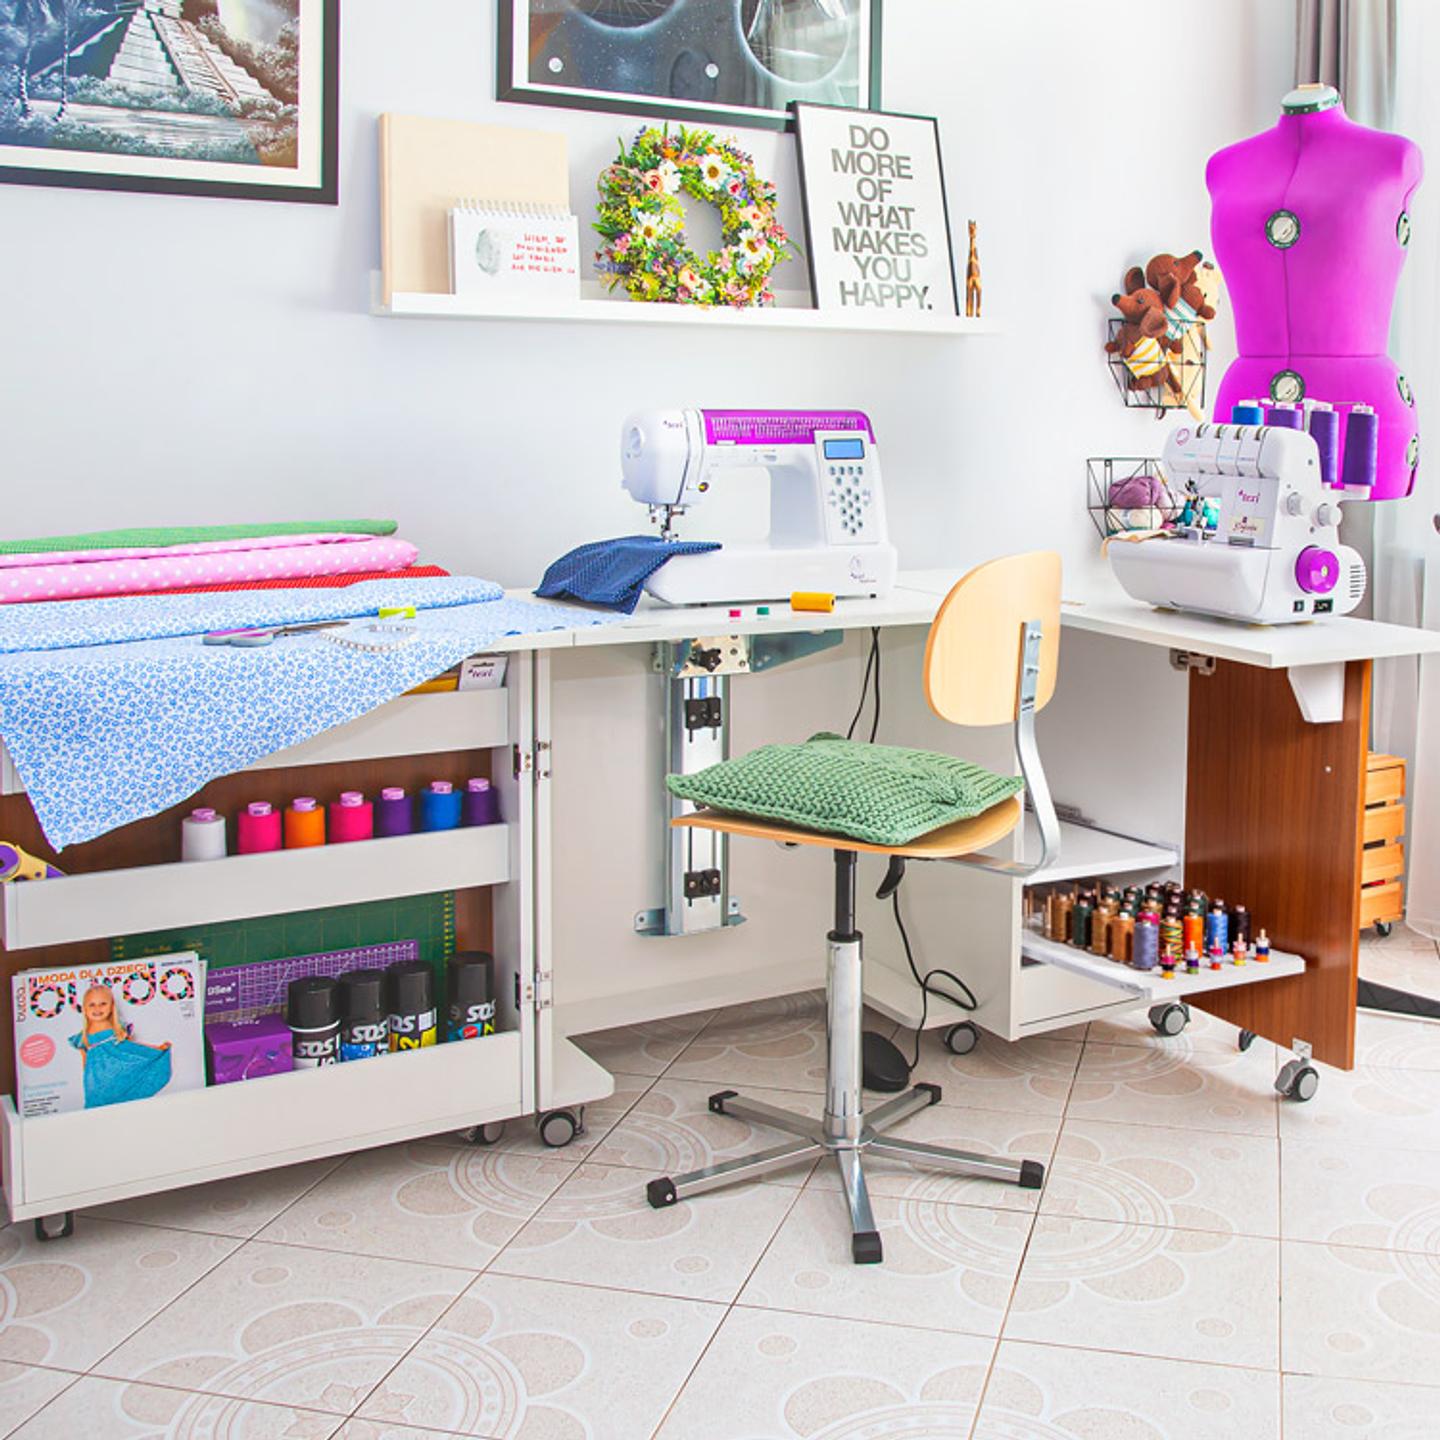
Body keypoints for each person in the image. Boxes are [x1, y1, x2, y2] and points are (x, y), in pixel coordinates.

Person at [68, 985, 172, 1109]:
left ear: (111, 1007)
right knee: (97, 1107)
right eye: (92, 1005)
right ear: (85, 1008)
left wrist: (157, 1049)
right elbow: (85, 1063)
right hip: (97, 1083)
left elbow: (132, 1048)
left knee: (122, 1104)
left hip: (117, 1076)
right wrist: (88, 1082)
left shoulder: (117, 1029)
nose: (97, 1008)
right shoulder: (82, 1037)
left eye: (103, 1004)